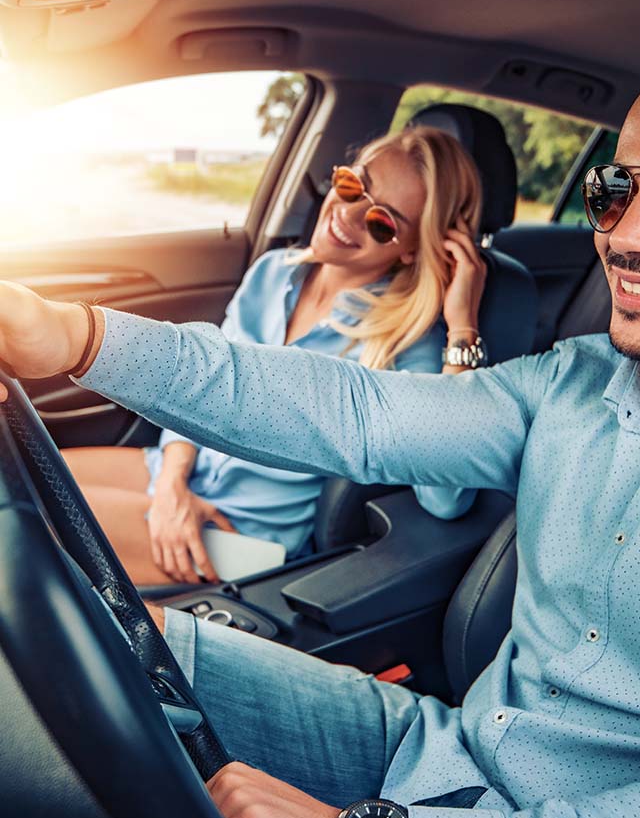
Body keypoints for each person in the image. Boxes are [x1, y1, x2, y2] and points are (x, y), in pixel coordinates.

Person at [1, 39, 640, 818]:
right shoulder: (572, 382)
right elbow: (352, 409)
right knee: (111, 643)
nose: (626, 236)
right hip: (436, 749)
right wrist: (73, 336)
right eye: (612, 193)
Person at [60, 126, 484, 584]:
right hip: (179, 472)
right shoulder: (271, 273)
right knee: (18, 468)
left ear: (412, 250)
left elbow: (446, 498)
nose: (348, 213)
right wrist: (170, 485)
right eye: (353, 186)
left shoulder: (407, 342)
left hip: (240, 534)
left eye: (382, 223)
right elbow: (196, 385)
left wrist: (462, 328)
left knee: (22, 521)